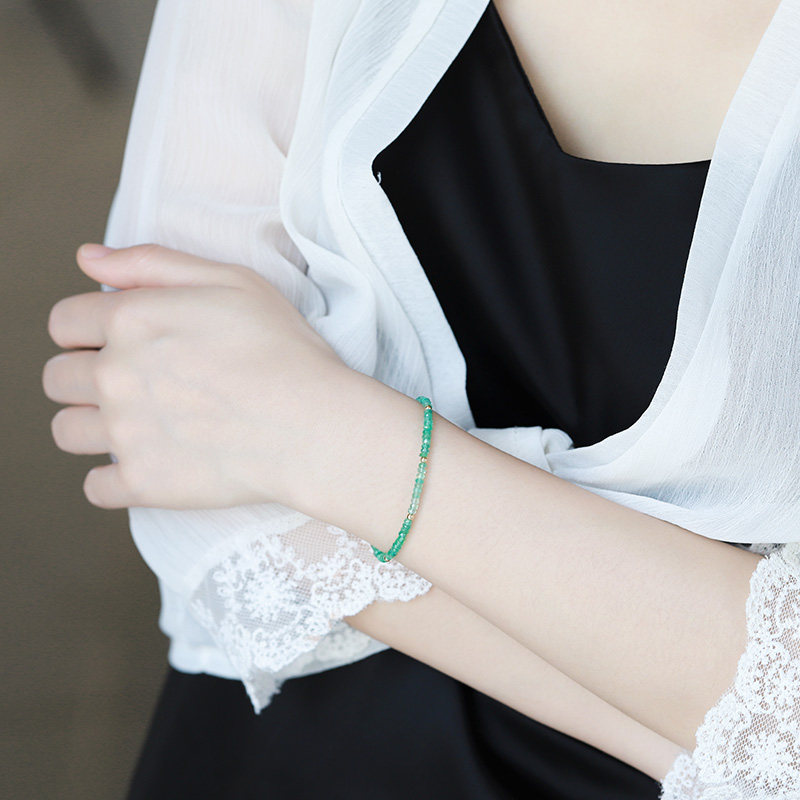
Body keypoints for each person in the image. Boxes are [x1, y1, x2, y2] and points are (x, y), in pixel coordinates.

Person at [42, 1, 799, 797]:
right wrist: (711, 711)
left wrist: (321, 437)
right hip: (303, 755)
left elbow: (212, 420)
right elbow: (164, 406)